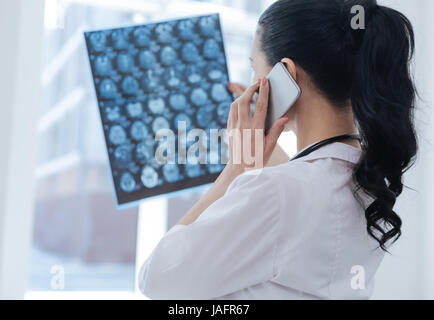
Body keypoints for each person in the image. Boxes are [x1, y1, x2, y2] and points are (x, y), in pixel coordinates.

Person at [138, 0, 418, 299]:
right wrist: (258, 152)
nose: (251, 84)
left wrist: (238, 167)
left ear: (285, 74)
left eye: (254, 68)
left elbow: (156, 280)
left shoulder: (276, 191)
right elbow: (303, 189)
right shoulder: (367, 181)